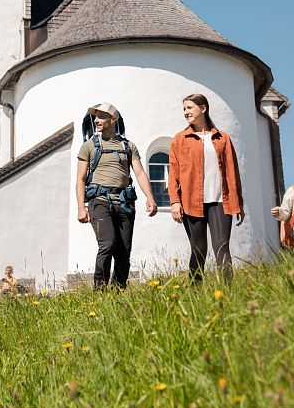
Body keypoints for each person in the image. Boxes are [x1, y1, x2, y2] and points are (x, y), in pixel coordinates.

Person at [76, 103, 158, 289]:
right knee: (107, 244)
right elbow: (80, 179)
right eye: (95, 117)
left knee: (123, 252)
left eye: (101, 116)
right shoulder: (88, 146)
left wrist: (151, 198)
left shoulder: (128, 146)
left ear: (113, 119)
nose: (96, 120)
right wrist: (81, 207)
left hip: (124, 202)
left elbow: (139, 173)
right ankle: (100, 290)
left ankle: (118, 292)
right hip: (99, 201)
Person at [168, 93, 245, 282]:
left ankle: (228, 291)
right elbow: (174, 174)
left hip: (220, 201)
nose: (186, 112)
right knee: (198, 249)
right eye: (184, 109)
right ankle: (195, 292)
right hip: (191, 202)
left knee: (222, 247)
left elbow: (232, 172)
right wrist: (175, 202)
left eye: (189, 108)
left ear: (203, 108)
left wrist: (238, 202)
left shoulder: (222, 138)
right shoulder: (179, 139)